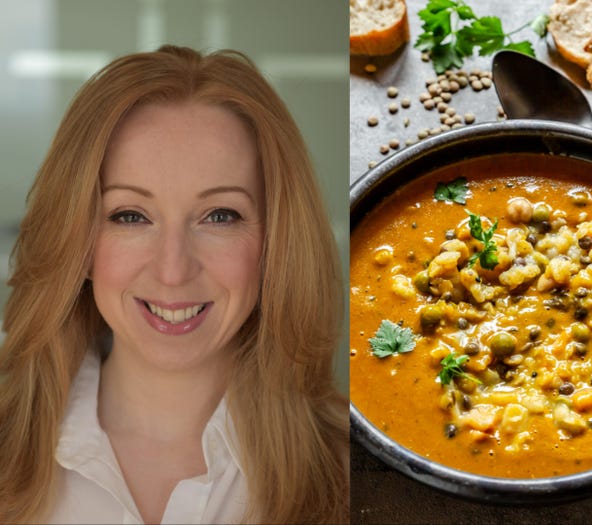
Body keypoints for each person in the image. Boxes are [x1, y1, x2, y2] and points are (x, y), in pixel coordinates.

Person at [0, 45, 348, 524]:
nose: (172, 270)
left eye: (220, 216)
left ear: (277, 243)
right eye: (130, 216)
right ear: (76, 240)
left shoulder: (351, 470)